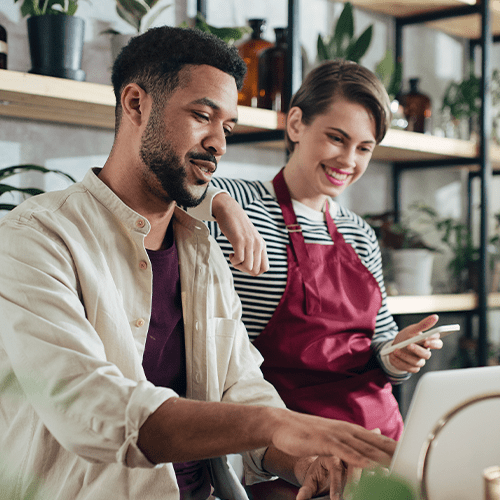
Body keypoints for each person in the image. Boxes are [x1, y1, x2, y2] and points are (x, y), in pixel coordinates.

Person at [0, 27, 396, 500]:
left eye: (226, 127)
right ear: (135, 104)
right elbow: (90, 407)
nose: (218, 145)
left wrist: (305, 461)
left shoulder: (202, 249)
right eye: (202, 116)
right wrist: (275, 422)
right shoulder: (38, 238)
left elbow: (241, 386)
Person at [189, 59, 444, 498]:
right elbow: (169, 192)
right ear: (295, 124)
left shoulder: (359, 233)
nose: (348, 160)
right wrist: (219, 204)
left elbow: (377, 346)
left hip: (379, 446)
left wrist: (397, 354)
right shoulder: (241, 203)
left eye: (364, 148)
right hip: (291, 455)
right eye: (336, 138)